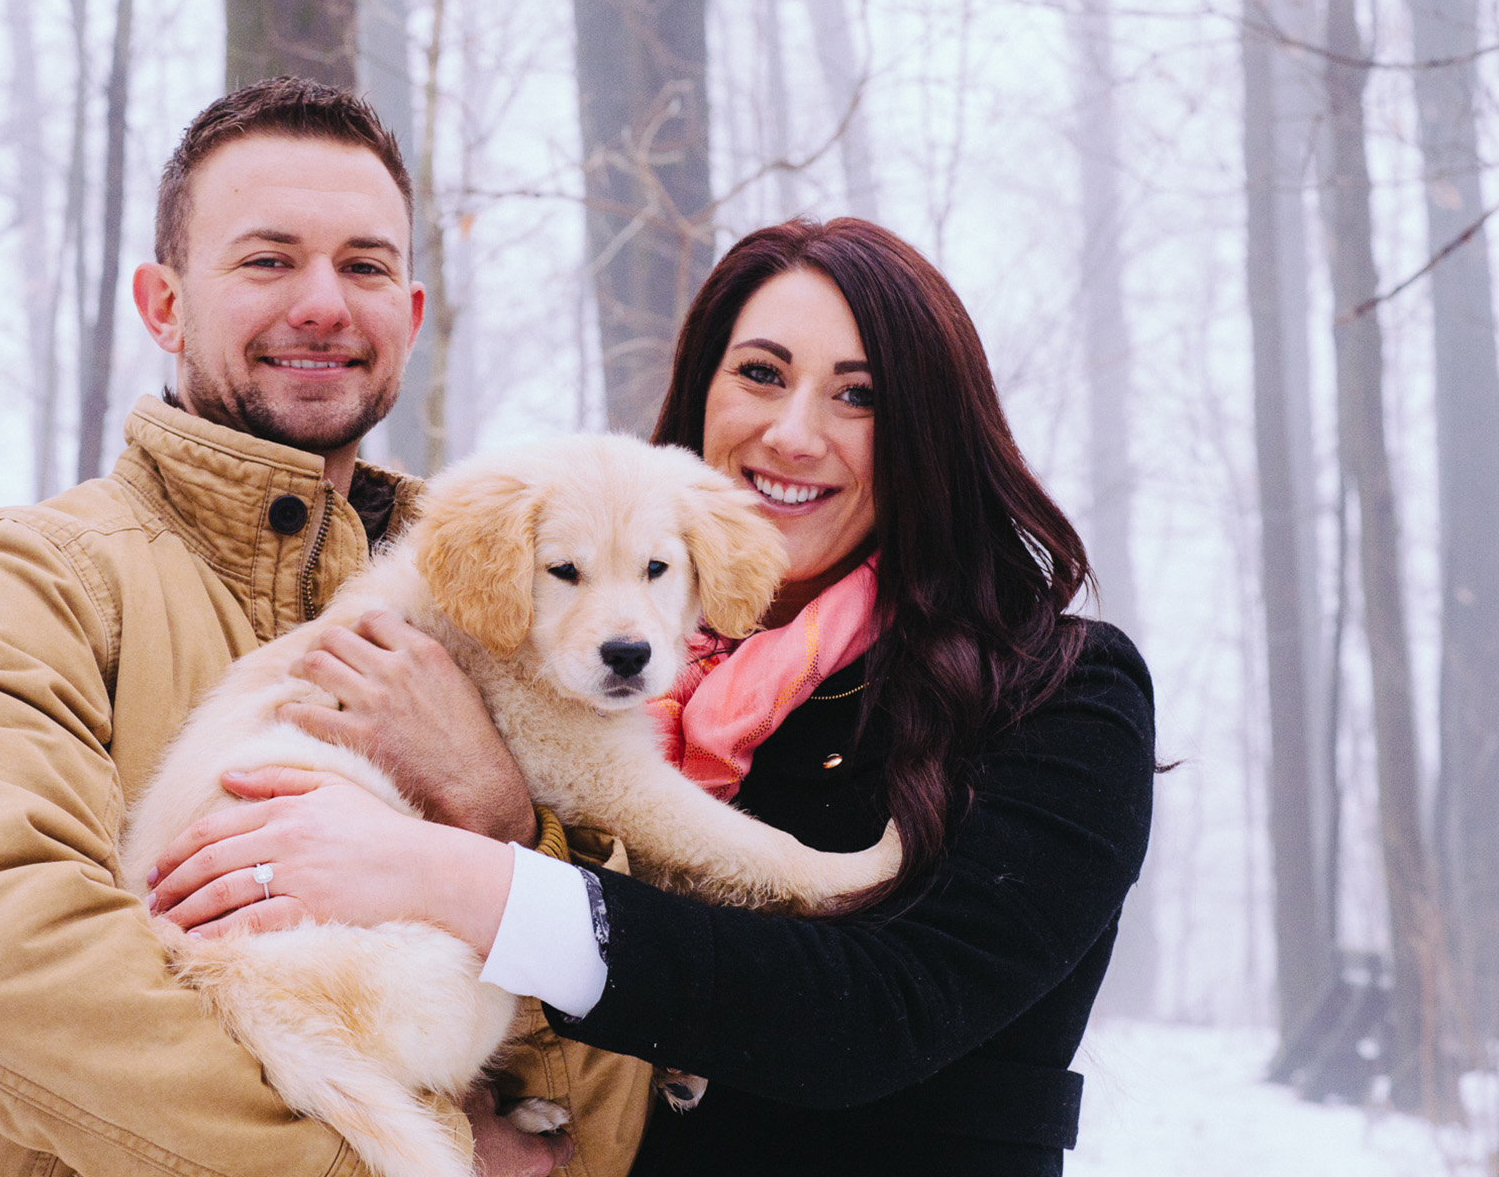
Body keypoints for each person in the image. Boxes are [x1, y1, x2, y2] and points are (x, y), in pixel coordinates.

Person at [149, 217, 1156, 1176]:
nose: (795, 433)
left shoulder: (1059, 690)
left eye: (860, 395)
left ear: (929, 433)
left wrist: (462, 856)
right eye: (760, 373)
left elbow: (881, 1016)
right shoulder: (590, 652)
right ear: (701, 393)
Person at [0, 76, 652, 1177]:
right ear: (164, 302)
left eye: (365, 264)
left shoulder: (518, 592)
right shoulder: (30, 580)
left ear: (411, 315)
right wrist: (395, 1159)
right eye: (268, 259)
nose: (323, 302)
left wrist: (504, 818)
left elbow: (639, 1045)